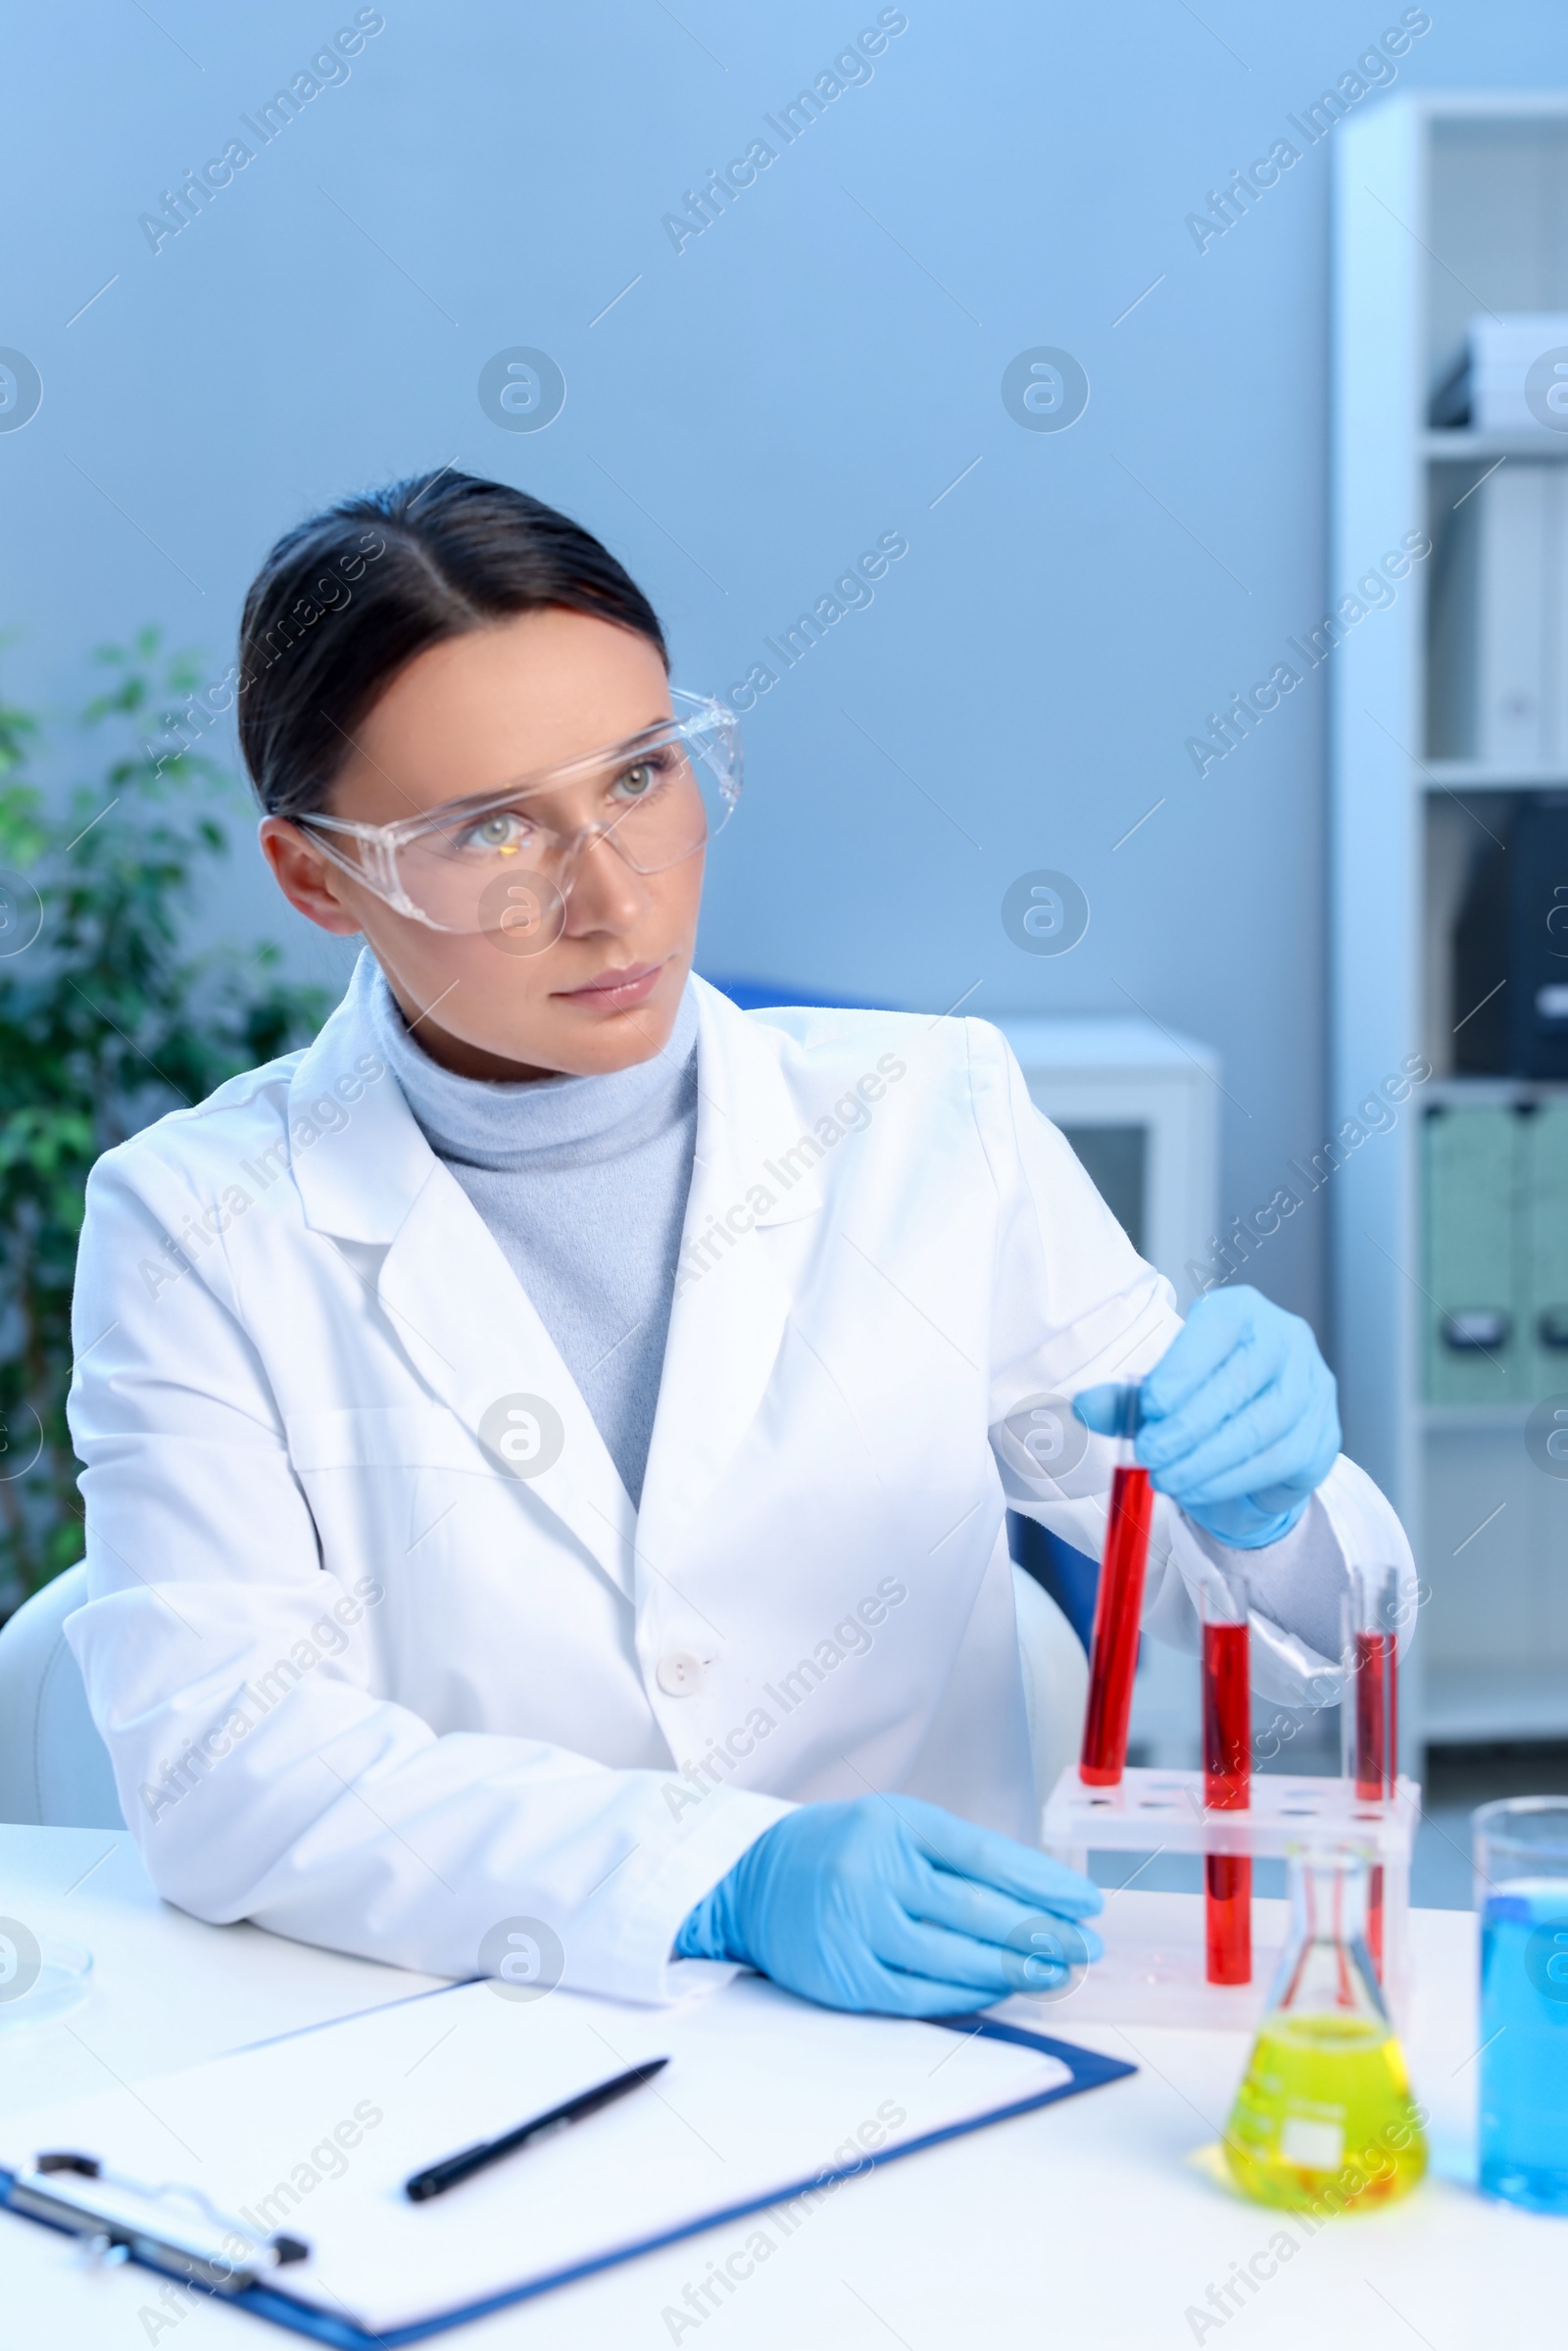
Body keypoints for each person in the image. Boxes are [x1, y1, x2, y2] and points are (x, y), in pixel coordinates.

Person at [65, 471, 1412, 2018]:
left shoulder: (930, 1117)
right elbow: (223, 1770)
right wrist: (717, 1875)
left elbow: (1270, 1610)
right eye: (493, 829)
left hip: (949, 2055)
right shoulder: (197, 1223)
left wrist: (1268, 1501)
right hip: (469, 2061)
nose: (611, 898)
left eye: (638, 777)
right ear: (317, 876)